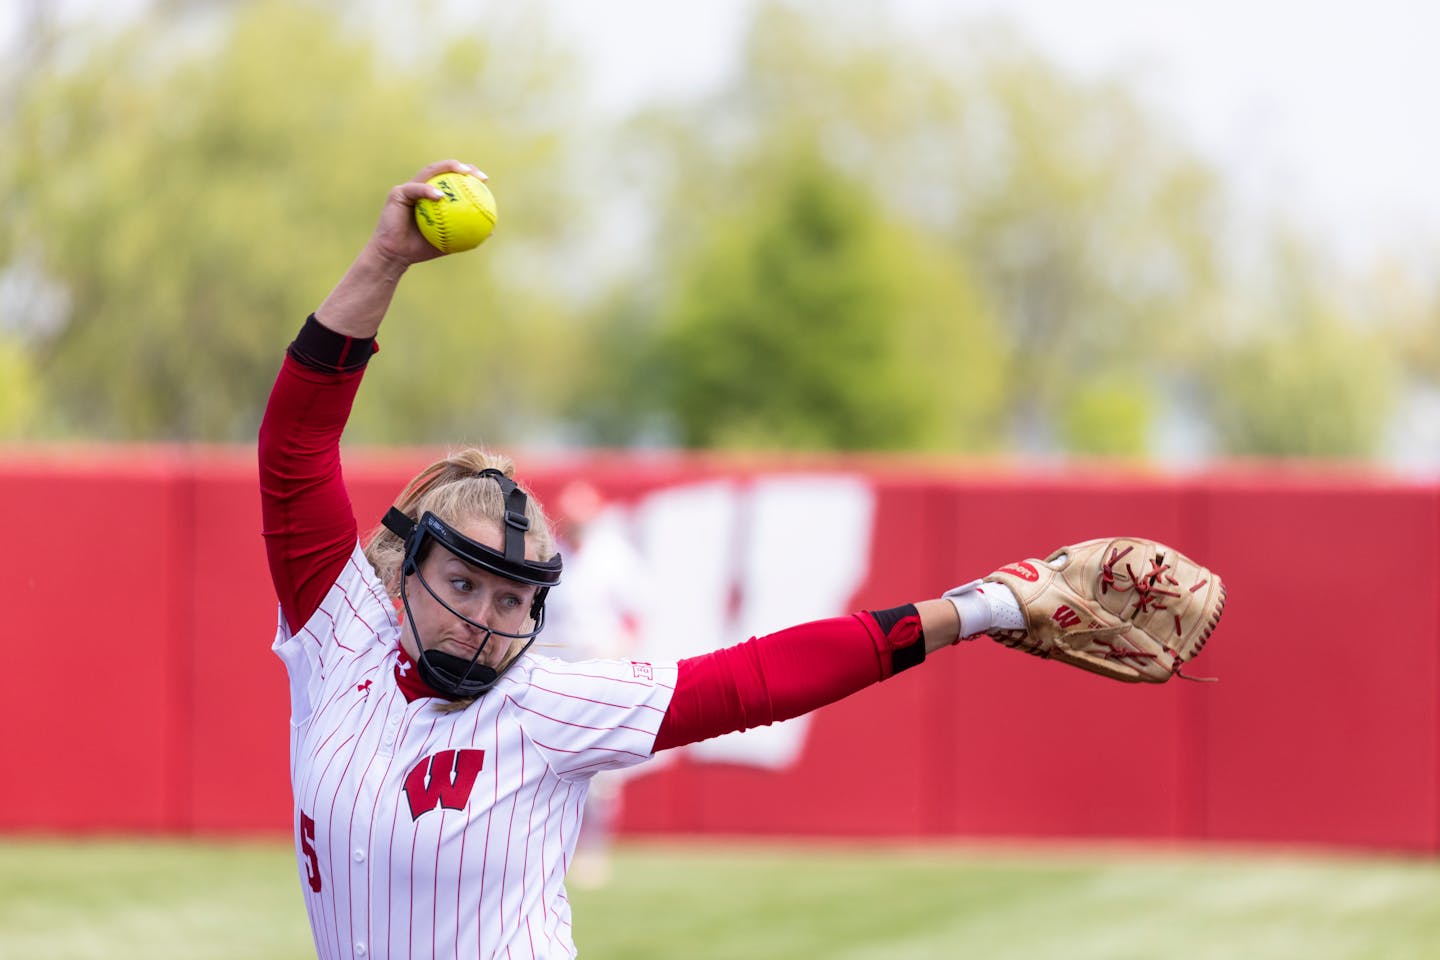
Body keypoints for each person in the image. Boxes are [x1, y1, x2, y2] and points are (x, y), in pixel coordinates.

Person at [257, 160, 1223, 960]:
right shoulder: (337, 640)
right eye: (464, 583)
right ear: (405, 570)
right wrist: (386, 256)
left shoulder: (543, 708)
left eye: (513, 598)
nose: (487, 616)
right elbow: (296, 445)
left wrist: (982, 607)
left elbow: (757, 681)